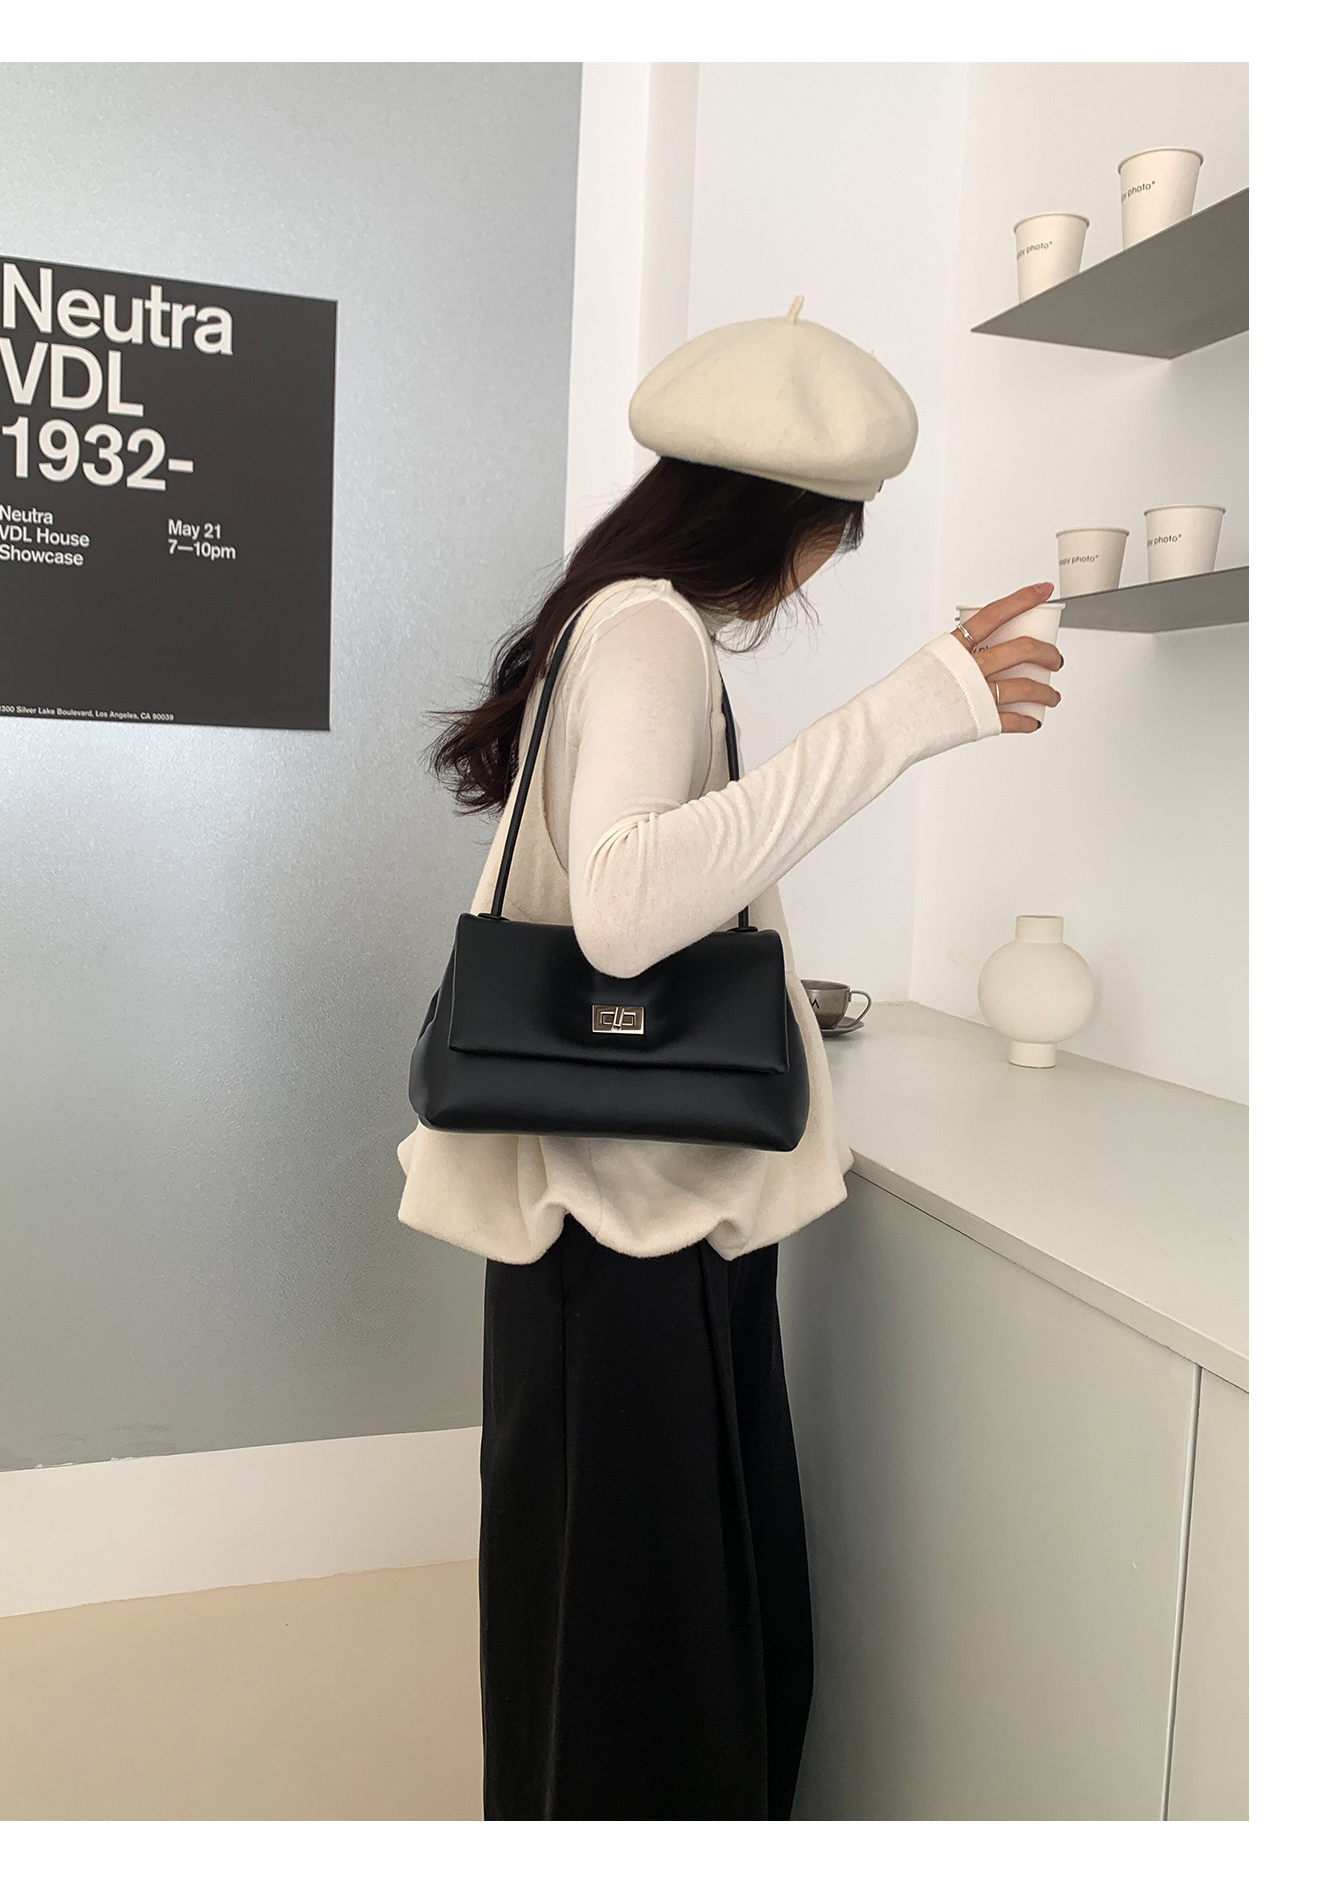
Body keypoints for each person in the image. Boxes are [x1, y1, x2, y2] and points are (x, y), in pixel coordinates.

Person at [397, 301, 1064, 1820]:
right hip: (633, 1216)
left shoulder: (616, 617)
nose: (822, 570)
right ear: (788, 518)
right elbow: (630, 910)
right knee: (647, 1640)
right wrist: (909, 713)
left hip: (612, 1209)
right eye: (838, 534)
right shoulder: (650, 629)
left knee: (613, 1620)